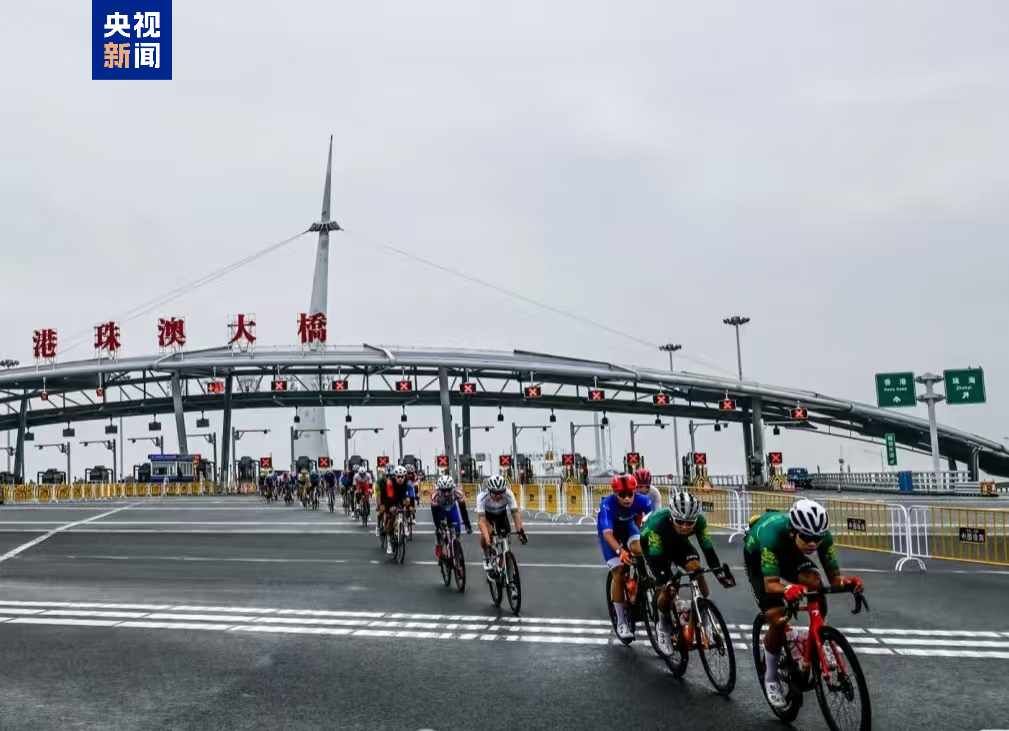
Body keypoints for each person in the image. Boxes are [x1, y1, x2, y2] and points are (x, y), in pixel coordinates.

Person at [743, 498, 864, 709]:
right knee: (778, 617)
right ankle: (770, 676)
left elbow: (834, 579)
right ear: (793, 531)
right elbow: (771, 585)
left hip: (789, 552)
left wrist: (848, 583)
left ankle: (818, 637)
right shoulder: (771, 536)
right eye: (807, 538)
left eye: (817, 539)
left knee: (816, 583)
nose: (813, 544)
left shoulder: (822, 537)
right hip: (758, 555)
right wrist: (788, 588)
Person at [640, 491, 735, 654]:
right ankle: (663, 627)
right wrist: (665, 580)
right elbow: (657, 559)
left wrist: (720, 574)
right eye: (680, 522)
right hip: (652, 545)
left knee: (696, 567)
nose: (685, 527)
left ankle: (706, 620)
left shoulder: (700, 521)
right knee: (668, 589)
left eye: (689, 523)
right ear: (672, 517)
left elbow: (707, 548)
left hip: (677, 542)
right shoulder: (659, 523)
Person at [597, 473, 653, 641]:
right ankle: (621, 622)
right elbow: (607, 534)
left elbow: (654, 524)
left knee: (639, 549)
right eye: (622, 495)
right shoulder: (607, 505)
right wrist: (620, 551)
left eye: (630, 494)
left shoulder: (643, 500)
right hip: (611, 535)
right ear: (615, 493)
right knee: (620, 571)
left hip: (628, 527)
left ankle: (643, 579)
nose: (627, 498)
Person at [476, 474, 527, 571]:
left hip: (501, 515)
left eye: (501, 492)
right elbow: (482, 522)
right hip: (487, 516)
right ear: (489, 491)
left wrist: (521, 532)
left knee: (506, 538)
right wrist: (487, 539)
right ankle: (486, 557)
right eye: (495, 493)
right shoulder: (482, 497)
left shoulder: (509, 494)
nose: (498, 496)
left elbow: (515, 515)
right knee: (488, 533)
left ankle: (505, 562)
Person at [379, 465, 415, 553]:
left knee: (408, 507)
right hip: (388, 498)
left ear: (405, 476)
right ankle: (389, 543)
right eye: (398, 477)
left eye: (402, 477)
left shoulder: (409, 483)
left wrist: (411, 506)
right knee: (391, 519)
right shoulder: (390, 483)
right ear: (395, 476)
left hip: (401, 497)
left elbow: (411, 496)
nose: (400, 479)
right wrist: (390, 507)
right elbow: (390, 497)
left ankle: (405, 524)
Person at [430, 474, 464, 559]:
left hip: (452, 508)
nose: (446, 493)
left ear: (452, 488)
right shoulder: (435, 495)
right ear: (439, 489)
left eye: (449, 490)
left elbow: (463, 509)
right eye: (444, 490)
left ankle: (455, 547)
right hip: (440, 509)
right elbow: (434, 513)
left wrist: (467, 524)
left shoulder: (458, 492)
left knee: (457, 529)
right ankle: (439, 546)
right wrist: (438, 526)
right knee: (440, 531)